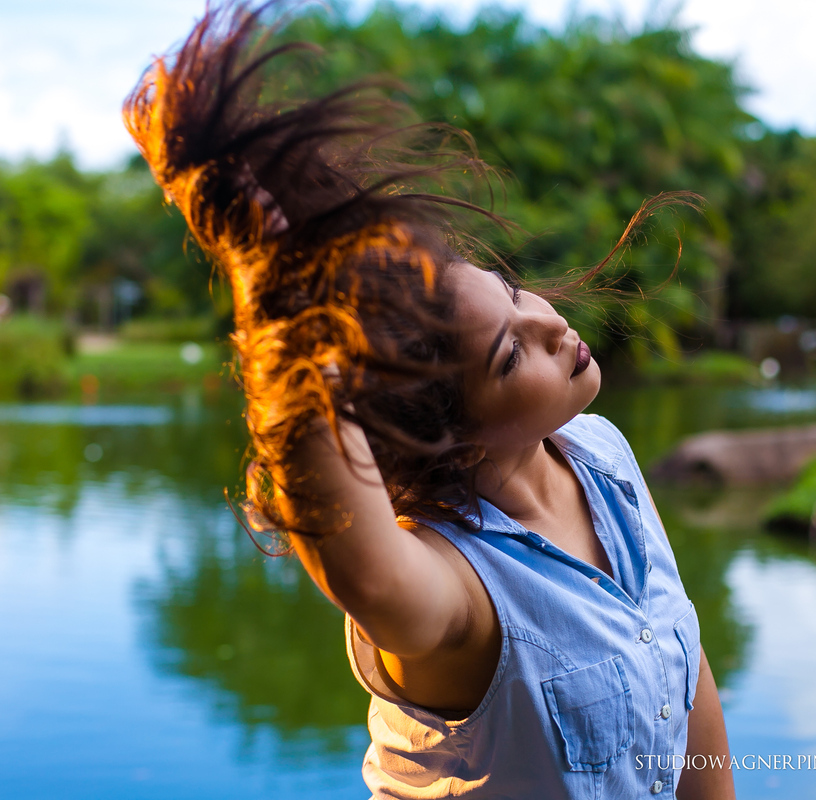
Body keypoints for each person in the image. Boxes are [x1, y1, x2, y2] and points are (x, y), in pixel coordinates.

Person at [125, 4, 734, 798]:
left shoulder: (603, 452)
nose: (551, 325)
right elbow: (368, 578)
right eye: (510, 354)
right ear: (452, 437)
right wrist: (271, 291)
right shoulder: (456, 590)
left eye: (515, 295)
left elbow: (686, 679)